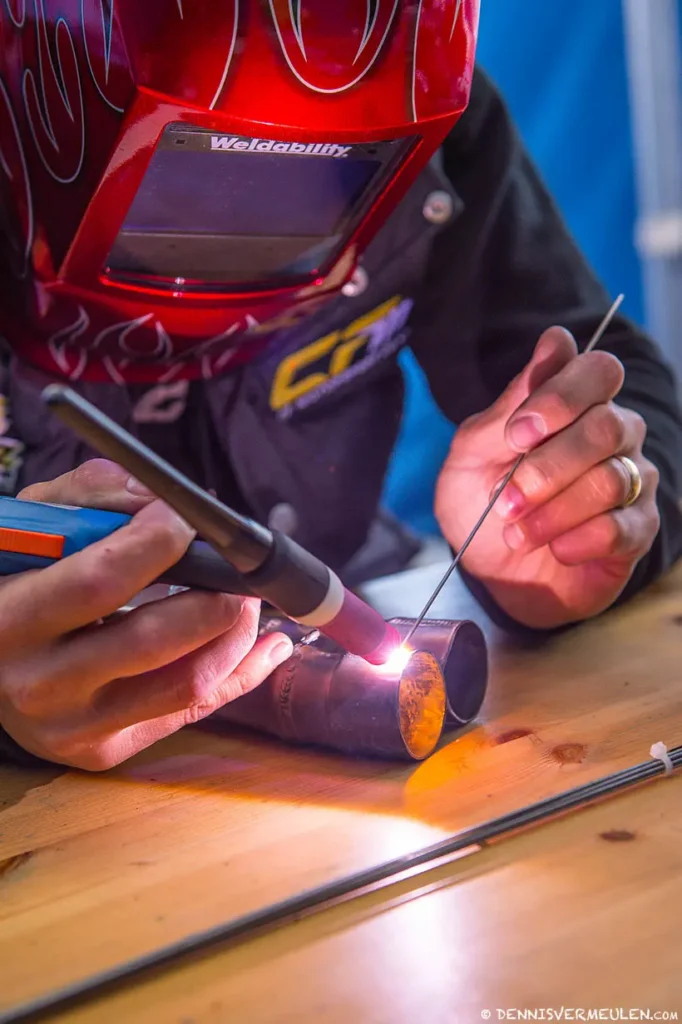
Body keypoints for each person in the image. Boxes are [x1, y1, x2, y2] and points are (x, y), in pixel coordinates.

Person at [1, 1, 680, 771]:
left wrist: (573, 515)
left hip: (345, 641)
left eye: (323, 177)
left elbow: (627, 382)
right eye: (205, 177)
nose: (249, 224)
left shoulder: (414, 98)